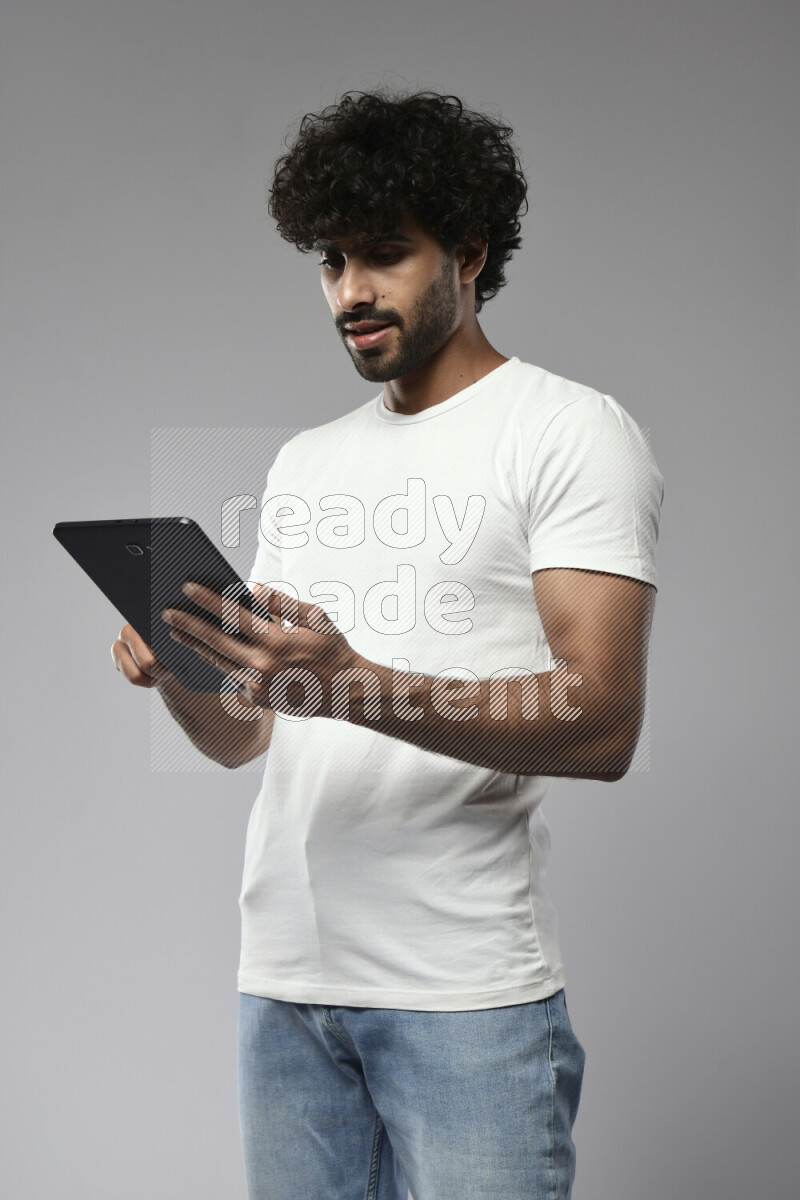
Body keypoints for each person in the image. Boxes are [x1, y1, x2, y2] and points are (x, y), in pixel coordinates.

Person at [111, 88, 664, 1200]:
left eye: (383, 257)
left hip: (460, 997)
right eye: (330, 262)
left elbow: (600, 719)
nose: (350, 293)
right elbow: (243, 740)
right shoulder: (308, 461)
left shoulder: (568, 432)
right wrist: (180, 673)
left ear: (468, 253)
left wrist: (354, 686)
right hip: (281, 988)